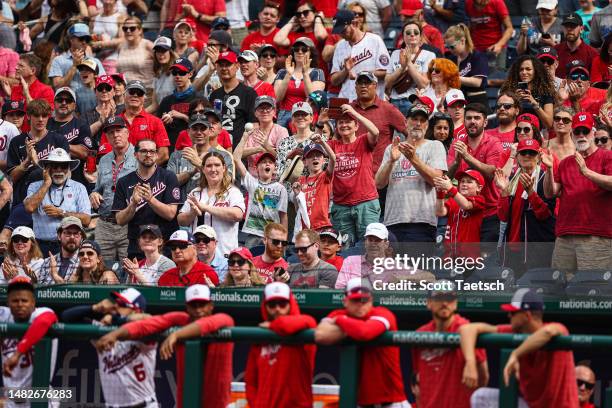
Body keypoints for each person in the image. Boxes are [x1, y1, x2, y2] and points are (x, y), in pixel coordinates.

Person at [96, 284, 234, 408]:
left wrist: (176, 335)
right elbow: (146, 325)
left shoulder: (224, 319)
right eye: (194, 305)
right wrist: (115, 334)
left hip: (217, 402)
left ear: (211, 305)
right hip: (186, 401)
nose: (198, 310)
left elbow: (208, 324)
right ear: (187, 307)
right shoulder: (181, 319)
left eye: (202, 304)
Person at [461, 288, 578, 408]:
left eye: (513, 313)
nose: (508, 315)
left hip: (560, 406)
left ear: (527, 315)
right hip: (531, 406)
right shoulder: (514, 331)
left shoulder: (558, 329)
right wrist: (470, 362)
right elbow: (467, 329)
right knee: (481, 397)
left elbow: (548, 332)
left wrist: (515, 354)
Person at [314, 277, 409, 407]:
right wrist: (353, 327)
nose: (360, 304)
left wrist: (341, 321)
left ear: (371, 300)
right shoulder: (340, 313)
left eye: (364, 300)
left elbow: (364, 333)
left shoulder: (382, 313)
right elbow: (320, 334)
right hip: (361, 403)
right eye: (355, 299)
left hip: (392, 403)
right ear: (345, 301)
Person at [62, 288, 158, 407]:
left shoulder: (143, 331)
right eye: (116, 302)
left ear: (136, 311)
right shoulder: (104, 329)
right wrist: (94, 308)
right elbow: (66, 317)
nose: (116, 306)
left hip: (144, 404)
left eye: (122, 304)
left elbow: (149, 320)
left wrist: (116, 319)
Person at [544, 112, 612, 277]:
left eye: (585, 131)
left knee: (592, 289)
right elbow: (550, 193)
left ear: (593, 133)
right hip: (565, 235)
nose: (581, 135)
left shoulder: (607, 156)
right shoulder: (566, 162)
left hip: (596, 235)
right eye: (577, 131)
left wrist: (586, 172)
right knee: (559, 287)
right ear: (572, 133)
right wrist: (549, 169)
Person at [376, 102, 447, 244]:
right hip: (392, 222)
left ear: (427, 125)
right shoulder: (392, 148)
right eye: (414, 119)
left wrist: (413, 158)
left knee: (418, 267)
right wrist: (391, 161)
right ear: (405, 122)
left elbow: (436, 180)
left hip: (422, 222)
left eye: (422, 121)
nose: (418, 124)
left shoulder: (435, 146)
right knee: (393, 267)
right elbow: (379, 183)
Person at [413, 282, 488, 408]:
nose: (444, 303)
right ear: (429, 302)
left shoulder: (467, 330)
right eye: (439, 298)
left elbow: (483, 377)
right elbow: (418, 376)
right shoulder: (420, 334)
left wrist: (471, 364)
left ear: (456, 303)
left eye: (449, 298)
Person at [246, 282, 317, 408]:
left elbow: (309, 321)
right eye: (272, 304)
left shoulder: (302, 328)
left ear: (290, 304)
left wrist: (274, 325)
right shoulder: (260, 335)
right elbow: (251, 382)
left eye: (282, 304)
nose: (278, 308)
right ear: (265, 306)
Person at [495, 139, 556, 273]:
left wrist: (531, 193)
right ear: (517, 157)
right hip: (512, 249)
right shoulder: (511, 181)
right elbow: (503, 216)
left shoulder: (544, 179)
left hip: (536, 249)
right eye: (523, 153)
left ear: (539, 157)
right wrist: (504, 192)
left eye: (531, 153)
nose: (527, 155)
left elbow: (545, 215)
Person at [113, 139, 181, 258]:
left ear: (156, 154)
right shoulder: (124, 182)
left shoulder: (168, 177)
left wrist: (151, 199)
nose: (148, 154)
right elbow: (120, 220)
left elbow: (171, 214)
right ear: (135, 154)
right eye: (144, 151)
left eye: (152, 151)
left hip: (164, 244)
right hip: (138, 245)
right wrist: (133, 204)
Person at [448, 103, 503, 243]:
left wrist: (467, 157)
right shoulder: (457, 144)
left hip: (489, 213)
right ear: (464, 121)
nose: (472, 121)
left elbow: (492, 174)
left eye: (477, 118)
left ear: (485, 122)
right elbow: (447, 177)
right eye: (469, 118)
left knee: (486, 259)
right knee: (465, 257)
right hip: (464, 212)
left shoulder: (494, 143)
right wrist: (455, 163)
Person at [328, 103, 380, 245]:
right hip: (341, 206)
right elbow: (316, 144)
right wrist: (321, 122)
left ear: (356, 126)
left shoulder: (363, 140)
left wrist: (354, 113)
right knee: (345, 249)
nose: (344, 125)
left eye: (348, 122)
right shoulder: (333, 145)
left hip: (366, 203)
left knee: (369, 247)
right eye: (341, 122)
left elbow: (375, 132)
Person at [23, 148, 91, 255]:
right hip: (40, 246)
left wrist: (61, 213)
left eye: (63, 166)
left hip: (69, 246)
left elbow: (86, 219)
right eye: (54, 166)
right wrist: (46, 184)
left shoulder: (79, 187)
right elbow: (29, 208)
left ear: (68, 168)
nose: (59, 170)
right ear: (47, 168)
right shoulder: (35, 186)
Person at [0, 277, 58, 402]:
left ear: (33, 302)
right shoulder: (4, 315)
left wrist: (17, 355)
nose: (20, 304)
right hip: (12, 401)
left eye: (24, 300)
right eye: (15, 301)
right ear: (8, 302)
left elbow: (43, 322)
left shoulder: (44, 313)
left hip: (40, 400)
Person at [177, 151, 245, 255]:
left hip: (224, 254)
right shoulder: (195, 192)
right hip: (197, 256)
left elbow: (237, 215)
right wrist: (193, 213)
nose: (213, 169)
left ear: (224, 168)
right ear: (203, 169)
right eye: (209, 166)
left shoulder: (233, 192)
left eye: (217, 165)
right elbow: (181, 220)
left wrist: (205, 207)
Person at [89, 116, 137, 263]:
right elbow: (98, 188)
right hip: (104, 223)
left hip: (129, 224)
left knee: (128, 269)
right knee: (101, 269)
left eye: (118, 130)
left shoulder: (139, 156)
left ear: (127, 132)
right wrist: (94, 194)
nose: (115, 135)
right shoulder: (103, 160)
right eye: (110, 133)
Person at [6, 99, 69, 205]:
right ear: (28, 116)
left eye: (44, 116)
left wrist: (37, 161)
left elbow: (65, 173)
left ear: (48, 117)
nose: (40, 119)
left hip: (52, 199)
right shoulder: (17, 141)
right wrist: (27, 161)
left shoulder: (59, 140)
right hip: (23, 199)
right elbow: (12, 177)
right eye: (36, 115)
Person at [350, 71, 410, 175]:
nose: (363, 86)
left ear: (375, 86)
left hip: (379, 174)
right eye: (360, 83)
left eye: (367, 83)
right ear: (355, 87)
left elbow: (409, 132)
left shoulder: (388, 108)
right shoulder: (349, 109)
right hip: (352, 173)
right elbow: (337, 138)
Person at [234, 139, 288, 246]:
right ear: (257, 168)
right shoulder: (252, 183)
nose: (267, 164)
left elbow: (283, 216)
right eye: (263, 162)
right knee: (250, 262)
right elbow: (236, 158)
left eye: (270, 162)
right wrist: (245, 135)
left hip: (273, 235)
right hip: (253, 234)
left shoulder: (280, 189)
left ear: (274, 168)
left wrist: (284, 238)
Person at [168, 114, 234, 198]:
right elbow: (170, 183)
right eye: (195, 129)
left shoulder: (223, 155)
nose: (199, 132)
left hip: (211, 206)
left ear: (210, 131)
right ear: (188, 132)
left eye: (203, 129)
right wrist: (193, 171)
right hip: (182, 206)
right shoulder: (176, 156)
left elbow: (227, 182)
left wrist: (200, 164)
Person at [330, 9, 390, 102]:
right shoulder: (340, 45)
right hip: (347, 101)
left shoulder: (374, 40)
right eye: (339, 31)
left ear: (354, 24)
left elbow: (386, 73)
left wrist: (362, 75)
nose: (341, 34)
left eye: (343, 30)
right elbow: (334, 81)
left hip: (372, 102)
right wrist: (345, 71)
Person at [47, 87, 95, 187]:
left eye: (68, 100)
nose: (64, 103)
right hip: (47, 180)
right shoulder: (45, 123)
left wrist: (58, 143)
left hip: (75, 181)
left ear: (74, 105)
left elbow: (84, 152)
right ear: (54, 103)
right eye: (60, 100)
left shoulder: (81, 125)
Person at [209, 51, 257, 149]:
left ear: (237, 66)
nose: (224, 68)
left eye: (228, 65)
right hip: (217, 150)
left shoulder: (248, 93)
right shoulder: (214, 95)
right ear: (216, 68)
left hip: (240, 149)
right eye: (221, 65)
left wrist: (245, 148)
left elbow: (254, 124)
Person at [385, 21, 435, 116]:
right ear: (403, 37)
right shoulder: (395, 54)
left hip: (415, 102)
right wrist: (402, 68)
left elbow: (424, 84)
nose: (412, 34)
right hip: (394, 102)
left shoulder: (429, 55)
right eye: (408, 33)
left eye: (416, 33)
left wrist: (409, 63)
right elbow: (387, 82)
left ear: (420, 37)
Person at [274, 38, 325, 128]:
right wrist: (288, 74)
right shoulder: (282, 72)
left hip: (306, 115)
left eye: (304, 49)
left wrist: (305, 74)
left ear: (311, 52)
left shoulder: (317, 72)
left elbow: (313, 99)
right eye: (296, 49)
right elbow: (277, 98)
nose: (300, 52)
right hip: (284, 115)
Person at [434, 169, 486, 259]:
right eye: (462, 181)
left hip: (469, 258)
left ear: (479, 188)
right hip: (449, 256)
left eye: (469, 182)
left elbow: (466, 205)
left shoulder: (480, 199)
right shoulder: (454, 200)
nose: (464, 184)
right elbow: (440, 212)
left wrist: (450, 188)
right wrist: (440, 194)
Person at [119, 80, 170, 164]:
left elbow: (163, 154)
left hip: (146, 174)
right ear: (124, 95)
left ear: (144, 98)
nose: (135, 95)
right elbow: (106, 154)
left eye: (139, 93)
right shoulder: (113, 122)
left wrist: (141, 170)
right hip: (118, 174)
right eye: (131, 92)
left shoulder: (155, 122)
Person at [290, 138, 336, 233]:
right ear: (305, 162)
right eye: (311, 156)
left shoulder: (325, 176)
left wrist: (322, 142)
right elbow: (297, 209)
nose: (315, 158)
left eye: (318, 155)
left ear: (324, 160)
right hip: (304, 228)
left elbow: (333, 158)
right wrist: (296, 195)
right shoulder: (300, 180)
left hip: (322, 226)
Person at [158, 58, 202, 149]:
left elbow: (205, 126)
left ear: (190, 74)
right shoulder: (166, 101)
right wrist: (164, 122)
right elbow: (158, 129)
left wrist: (182, 116)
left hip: (193, 148)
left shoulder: (199, 100)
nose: (177, 76)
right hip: (172, 149)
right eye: (174, 73)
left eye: (182, 73)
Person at [500, 55, 555, 129]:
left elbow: (549, 123)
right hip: (514, 132)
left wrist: (534, 103)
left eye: (528, 69)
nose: (524, 72)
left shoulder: (545, 91)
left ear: (536, 71)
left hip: (537, 134)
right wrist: (514, 101)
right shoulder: (509, 91)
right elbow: (502, 120)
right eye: (521, 69)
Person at [48, 23, 106, 92]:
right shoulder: (58, 60)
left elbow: (104, 86)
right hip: (68, 101)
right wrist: (74, 66)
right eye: (81, 38)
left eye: (87, 39)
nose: (84, 42)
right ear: (71, 39)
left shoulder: (95, 61)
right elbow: (58, 86)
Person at [444, 25, 489, 109]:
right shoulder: (451, 58)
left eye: (452, 47)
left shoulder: (477, 56)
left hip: (477, 101)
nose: (450, 50)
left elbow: (477, 82)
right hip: (458, 101)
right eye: (447, 47)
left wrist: (453, 77)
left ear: (462, 41)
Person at [241, 95, 287, 176]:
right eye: (261, 108)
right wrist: (259, 148)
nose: (265, 111)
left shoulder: (281, 131)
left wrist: (267, 146)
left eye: (268, 108)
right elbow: (240, 153)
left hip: (274, 179)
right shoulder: (250, 131)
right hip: (253, 180)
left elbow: (283, 159)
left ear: (274, 112)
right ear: (255, 113)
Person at [464, 0, 513, 73]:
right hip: (476, 49)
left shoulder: (497, 2)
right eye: (479, 3)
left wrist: (499, 45)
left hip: (496, 48)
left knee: (497, 77)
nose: (483, 3)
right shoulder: (467, 3)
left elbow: (509, 28)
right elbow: (470, 26)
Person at [38, 217, 84, 285]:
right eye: (68, 233)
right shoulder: (47, 262)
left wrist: (54, 275)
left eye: (76, 233)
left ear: (82, 238)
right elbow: (40, 292)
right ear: (59, 236)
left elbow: (72, 293)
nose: (72, 237)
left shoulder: (84, 263)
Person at [114, 17, 155, 92]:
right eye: (125, 29)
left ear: (140, 30)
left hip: (145, 92)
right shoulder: (121, 46)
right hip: (126, 93)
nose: (128, 31)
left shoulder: (147, 45)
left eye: (132, 28)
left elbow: (166, 59)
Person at [555, 13, 598, 78]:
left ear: (581, 29)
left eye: (573, 26)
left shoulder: (592, 54)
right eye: (566, 26)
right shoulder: (555, 51)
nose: (569, 29)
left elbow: (594, 80)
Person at [148, 36, 178, 114]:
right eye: (158, 51)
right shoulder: (158, 73)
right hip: (162, 115)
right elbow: (155, 105)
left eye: (164, 51)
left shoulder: (177, 72)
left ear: (171, 52)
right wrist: (137, 115)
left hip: (175, 116)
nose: (161, 54)